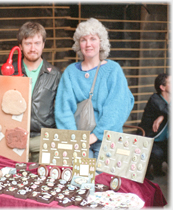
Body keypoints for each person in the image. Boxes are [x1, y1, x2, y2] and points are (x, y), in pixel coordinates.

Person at [54, 18, 134, 159]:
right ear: (79, 44)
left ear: (101, 42)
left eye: (93, 39)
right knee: (78, 178)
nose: (88, 44)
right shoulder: (70, 72)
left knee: (103, 178)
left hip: (108, 138)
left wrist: (95, 136)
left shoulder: (113, 70)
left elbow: (117, 108)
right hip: (77, 140)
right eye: (83, 40)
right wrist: (75, 139)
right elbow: (63, 109)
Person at [11, 21, 62, 162]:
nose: (33, 48)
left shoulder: (55, 74)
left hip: (44, 139)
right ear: (20, 46)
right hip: (15, 138)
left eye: (37, 43)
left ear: (43, 45)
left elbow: (61, 110)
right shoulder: (10, 72)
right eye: (28, 43)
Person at [139, 73, 170, 180]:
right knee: (158, 153)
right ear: (162, 87)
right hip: (150, 139)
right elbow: (168, 110)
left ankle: (158, 168)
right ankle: (144, 171)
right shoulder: (155, 99)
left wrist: (161, 116)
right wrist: (164, 114)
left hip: (164, 140)